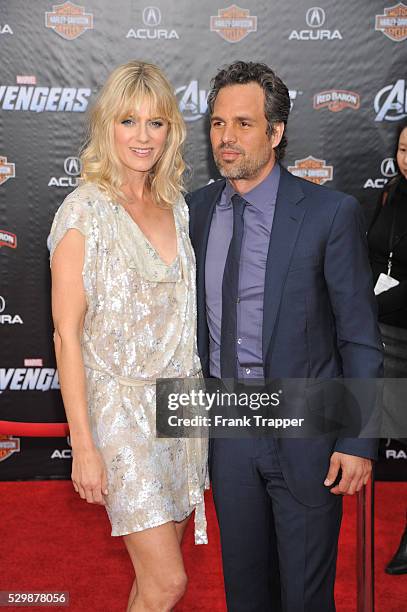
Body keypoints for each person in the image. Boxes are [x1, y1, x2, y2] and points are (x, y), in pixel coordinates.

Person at [186, 61, 383, 611]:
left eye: (244, 124)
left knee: (305, 597)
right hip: (229, 434)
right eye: (219, 123)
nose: (226, 138)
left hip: (308, 434)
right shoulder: (195, 212)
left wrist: (358, 440)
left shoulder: (329, 212)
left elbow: (360, 338)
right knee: (244, 595)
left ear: (276, 133)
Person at [50, 60, 208, 612]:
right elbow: (66, 336)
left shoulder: (178, 208)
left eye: (156, 122)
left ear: (171, 131)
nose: (143, 136)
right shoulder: (83, 212)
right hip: (119, 414)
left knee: (150, 582)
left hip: (181, 411)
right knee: (169, 583)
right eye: (128, 121)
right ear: (106, 127)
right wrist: (84, 444)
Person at [368, 120, 407, 576]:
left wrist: (375, 298)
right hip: (383, 336)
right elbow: (372, 253)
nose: (406, 157)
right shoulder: (386, 196)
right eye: (401, 148)